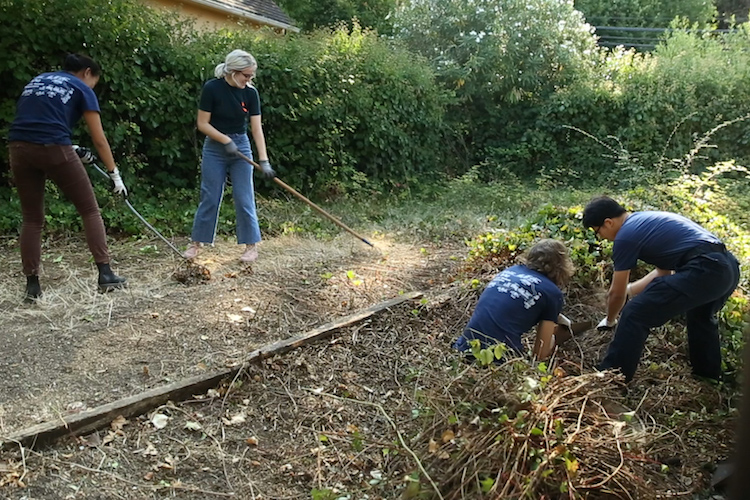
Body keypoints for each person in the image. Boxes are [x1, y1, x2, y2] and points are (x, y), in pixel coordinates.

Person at [8, 53, 128, 302]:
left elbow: (38, 122)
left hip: (18, 147)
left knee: (32, 218)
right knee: (89, 210)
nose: (93, 85)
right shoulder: (81, 88)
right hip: (53, 147)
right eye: (94, 80)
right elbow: (99, 139)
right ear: (87, 73)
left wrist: (72, 148)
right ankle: (105, 274)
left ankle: (32, 287)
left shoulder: (38, 81)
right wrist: (115, 175)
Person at [582, 196, 740, 382]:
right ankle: (708, 376)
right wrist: (630, 290)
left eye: (598, 231)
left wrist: (609, 320)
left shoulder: (625, 236)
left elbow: (615, 294)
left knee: (635, 313)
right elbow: (663, 273)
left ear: (608, 222)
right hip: (726, 267)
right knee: (701, 316)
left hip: (704, 269)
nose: (600, 237)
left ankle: (611, 378)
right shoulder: (644, 221)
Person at [184, 49, 276, 263]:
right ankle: (196, 243)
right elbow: (202, 124)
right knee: (210, 195)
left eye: (251, 76)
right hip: (215, 147)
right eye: (246, 75)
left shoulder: (250, 93)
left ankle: (251, 247)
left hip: (241, 146)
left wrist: (264, 160)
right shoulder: (212, 88)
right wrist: (225, 141)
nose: (249, 79)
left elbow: (256, 128)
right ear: (233, 72)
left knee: (244, 197)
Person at [454, 239, 575, 360]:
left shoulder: (511, 271)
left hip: (465, 348)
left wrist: (557, 317)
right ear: (562, 266)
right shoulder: (552, 293)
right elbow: (540, 353)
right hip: (499, 359)